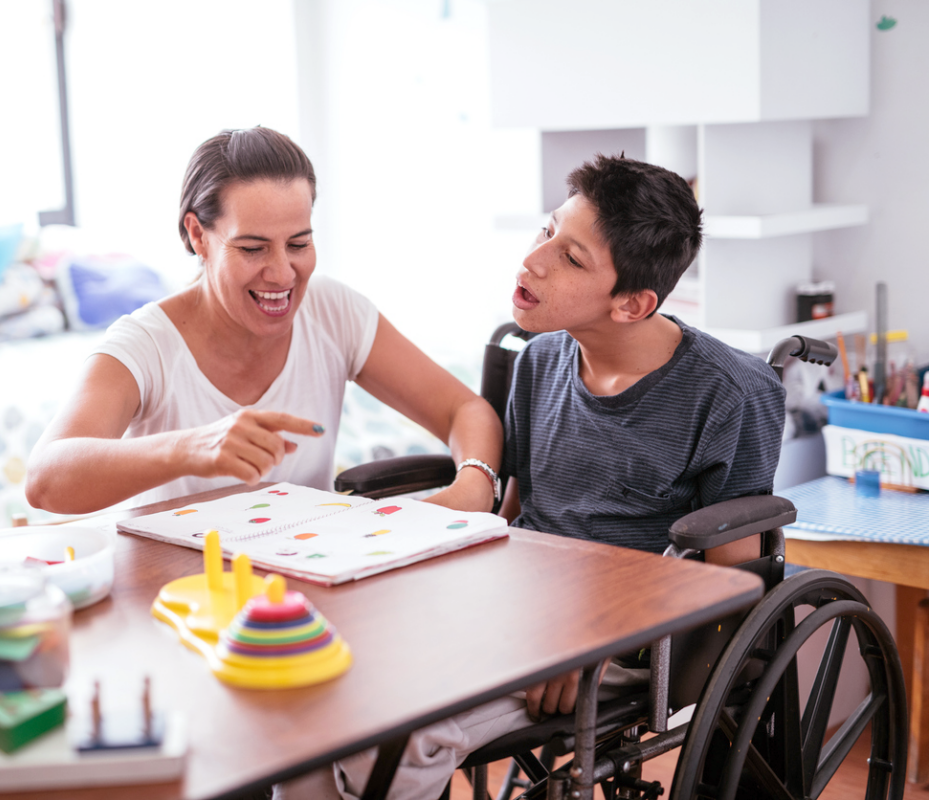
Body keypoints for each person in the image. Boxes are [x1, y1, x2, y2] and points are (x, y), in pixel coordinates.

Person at [277, 154, 785, 800]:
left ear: (633, 303)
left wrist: (595, 644)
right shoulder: (541, 361)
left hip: (622, 645)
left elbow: (725, 588)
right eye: (547, 232)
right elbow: (512, 520)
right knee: (316, 702)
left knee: (395, 742)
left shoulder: (730, 395)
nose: (534, 261)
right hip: (519, 613)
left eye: (572, 259)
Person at [25, 127, 502, 519]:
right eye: (252, 248)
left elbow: (464, 409)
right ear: (198, 235)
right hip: (177, 593)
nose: (282, 274)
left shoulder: (334, 311)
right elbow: (45, 480)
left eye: (299, 244)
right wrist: (190, 448)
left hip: (302, 591)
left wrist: (475, 484)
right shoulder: (145, 345)